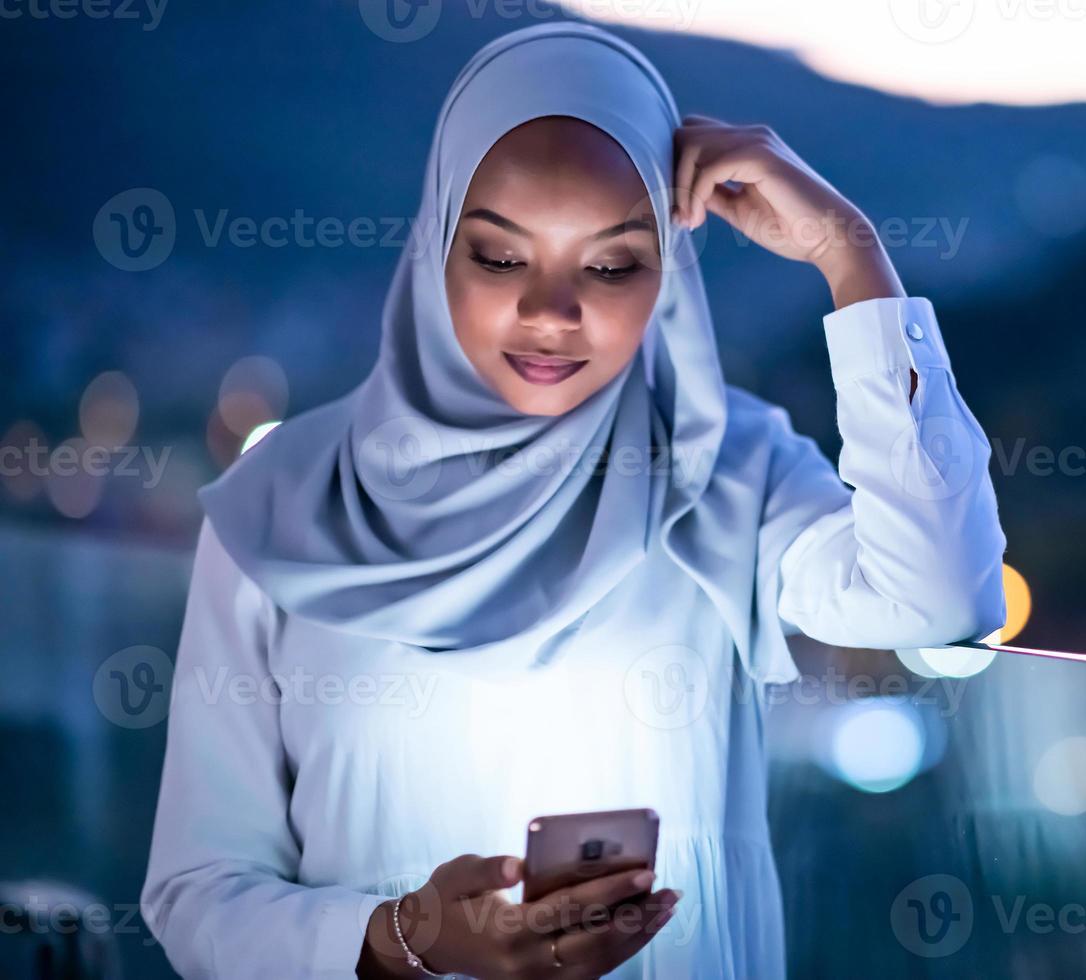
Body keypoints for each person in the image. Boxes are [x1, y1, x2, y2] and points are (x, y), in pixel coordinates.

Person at [139, 21, 1007, 980]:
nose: (550, 312)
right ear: (434, 247)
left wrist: (852, 258)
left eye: (609, 264)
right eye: (502, 258)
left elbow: (940, 598)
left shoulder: (723, 465)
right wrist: (412, 936)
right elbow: (200, 894)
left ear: (668, 273)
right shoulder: (283, 505)